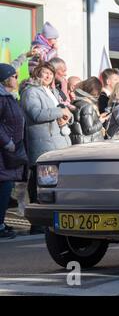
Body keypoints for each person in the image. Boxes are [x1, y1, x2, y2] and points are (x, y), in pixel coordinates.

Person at [20, 63, 72, 234]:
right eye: (44, 73)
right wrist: (60, 112)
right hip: (43, 145)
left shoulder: (54, 91)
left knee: (55, 185)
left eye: (50, 73)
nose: (48, 76)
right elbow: (36, 114)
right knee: (40, 185)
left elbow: (63, 112)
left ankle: (51, 222)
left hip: (59, 142)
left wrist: (66, 117)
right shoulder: (31, 92)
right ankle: (37, 224)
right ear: (36, 74)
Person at [0, 64, 27, 239]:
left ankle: (1, 223)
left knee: (6, 186)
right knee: (5, 186)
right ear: (6, 79)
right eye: (15, 76)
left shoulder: (9, 97)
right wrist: (7, 141)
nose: (17, 79)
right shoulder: (2, 98)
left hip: (11, 150)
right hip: (4, 151)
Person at [70, 77, 109, 145]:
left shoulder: (78, 102)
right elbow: (88, 130)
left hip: (82, 142)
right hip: (89, 144)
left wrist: (98, 117)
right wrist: (100, 121)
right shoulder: (87, 105)